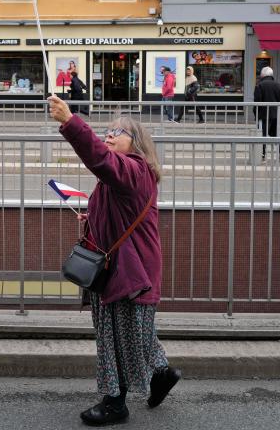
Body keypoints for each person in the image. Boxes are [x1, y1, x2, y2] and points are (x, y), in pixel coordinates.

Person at [48, 94, 181, 426]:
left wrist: (69, 121)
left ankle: (114, 403)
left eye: (116, 132)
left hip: (126, 271)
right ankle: (161, 374)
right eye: (107, 130)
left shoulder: (132, 169)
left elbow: (100, 159)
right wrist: (92, 216)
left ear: (135, 143)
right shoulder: (126, 175)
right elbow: (116, 207)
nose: (108, 135)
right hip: (128, 269)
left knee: (113, 336)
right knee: (135, 332)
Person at [254, 66, 280, 162]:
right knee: (275, 133)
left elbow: (257, 102)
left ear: (263, 75)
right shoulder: (278, 85)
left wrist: (256, 114)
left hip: (263, 114)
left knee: (262, 135)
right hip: (275, 114)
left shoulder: (259, 85)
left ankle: (262, 155)